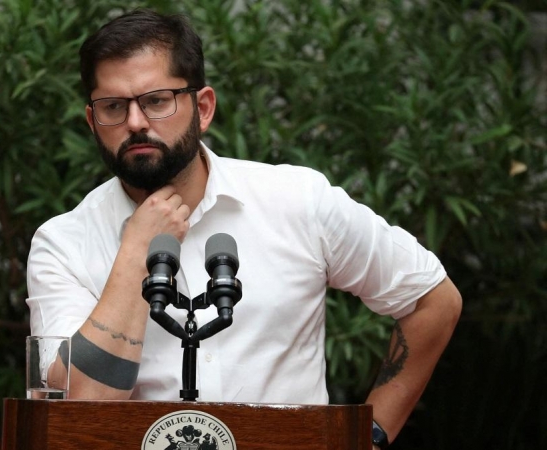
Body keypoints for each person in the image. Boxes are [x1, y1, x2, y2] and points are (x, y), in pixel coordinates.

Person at [26, 8, 462, 448]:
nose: (135, 122)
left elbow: (432, 301)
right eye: (114, 107)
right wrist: (139, 247)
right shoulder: (63, 244)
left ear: (203, 107)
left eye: (156, 100)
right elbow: (76, 410)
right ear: (92, 122)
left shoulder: (296, 199)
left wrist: (370, 437)